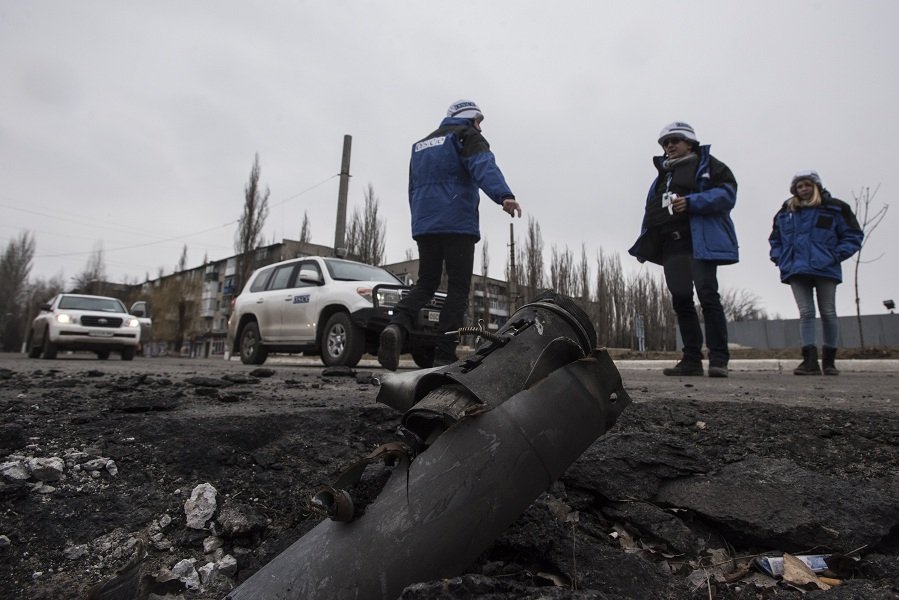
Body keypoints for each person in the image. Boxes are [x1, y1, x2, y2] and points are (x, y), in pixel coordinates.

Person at [378, 99, 522, 371]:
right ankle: (444, 354)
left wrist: (419, 222)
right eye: (479, 121)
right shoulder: (466, 136)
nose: (480, 127)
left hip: (426, 224)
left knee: (426, 282)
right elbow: (483, 166)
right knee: (458, 288)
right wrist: (504, 196)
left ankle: (397, 325)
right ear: (469, 118)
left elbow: (412, 188)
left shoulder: (420, 146)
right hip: (457, 224)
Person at [628, 122, 739, 378]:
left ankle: (719, 358)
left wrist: (691, 202)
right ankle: (691, 359)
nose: (669, 146)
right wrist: (647, 243)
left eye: (674, 141)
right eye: (665, 143)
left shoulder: (710, 166)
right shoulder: (662, 177)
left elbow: (727, 194)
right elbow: (651, 211)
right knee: (681, 300)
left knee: (708, 296)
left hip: (699, 241)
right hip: (672, 245)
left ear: (690, 143)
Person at [768, 170, 863, 376]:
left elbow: (853, 235)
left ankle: (829, 362)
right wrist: (779, 257)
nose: (803, 189)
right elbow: (775, 239)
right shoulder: (786, 212)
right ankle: (809, 361)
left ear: (816, 187)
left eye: (807, 185)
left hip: (825, 267)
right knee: (806, 313)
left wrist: (835, 255)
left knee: (828, 312)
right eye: (799, 186)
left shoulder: (835, 208)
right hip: (796, 269)